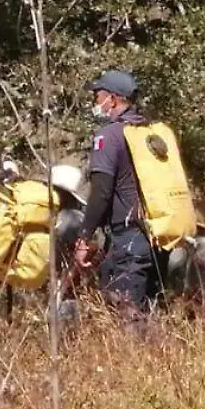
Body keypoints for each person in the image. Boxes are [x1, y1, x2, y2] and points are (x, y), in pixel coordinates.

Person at [74, 68, 163, 319]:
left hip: (128, 240)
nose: (96, 102)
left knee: (128, 320)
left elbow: (101, 193)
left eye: (98, 96)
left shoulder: (108, 136)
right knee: (153, 315)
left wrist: (84, 238)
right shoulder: (149, 133)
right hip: (158, 238)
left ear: (112, 99)